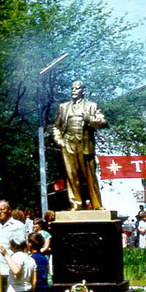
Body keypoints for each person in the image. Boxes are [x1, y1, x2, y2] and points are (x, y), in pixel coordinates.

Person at [52, 80, 108, 211]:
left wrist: (89, 119)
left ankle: (97, 204)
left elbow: (104, 122)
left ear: (83, 90)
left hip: (85, 144)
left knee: (90, 175)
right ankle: (76, 204)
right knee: (72, 176)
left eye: (76, 89)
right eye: (72, 88)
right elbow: (56, 126)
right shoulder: (64, 107)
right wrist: (60, 141)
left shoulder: (92, 106)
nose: (73, 91)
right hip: (68, 144)